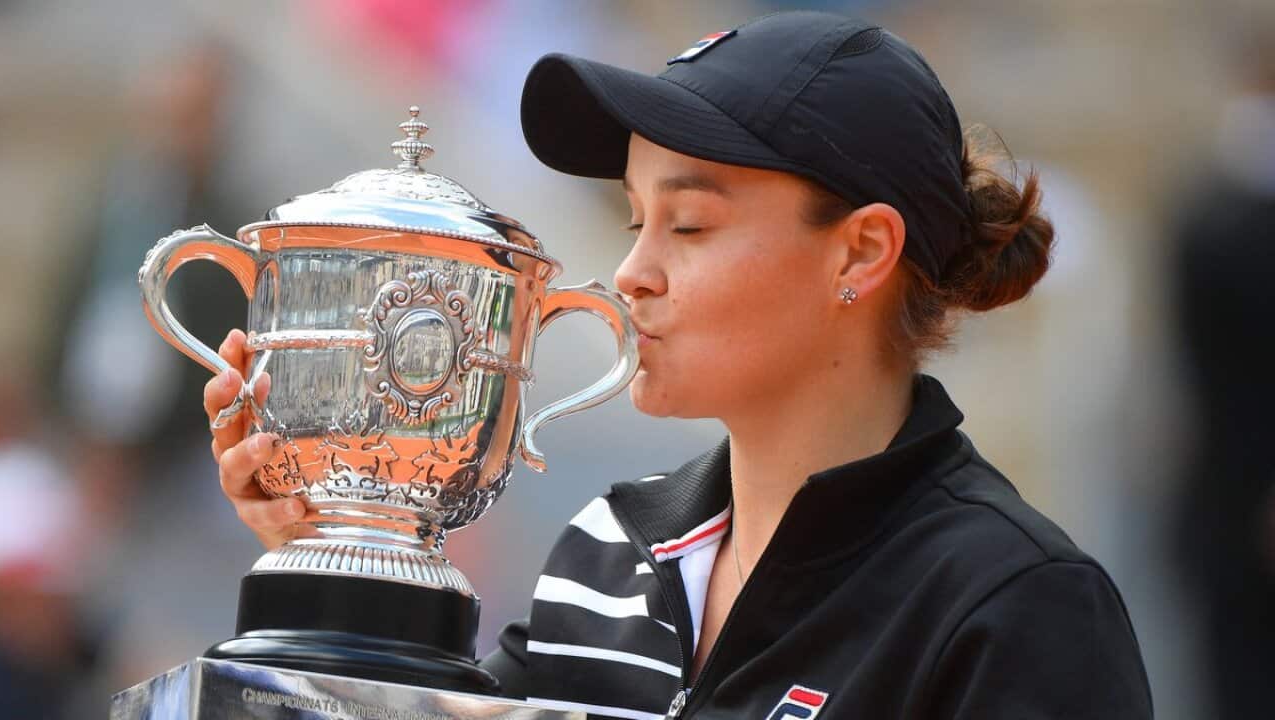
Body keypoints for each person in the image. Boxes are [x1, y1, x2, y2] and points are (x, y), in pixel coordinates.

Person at [203, 11, 1152, 720]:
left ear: (861, 252)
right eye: (633, 217)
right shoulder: (607, 556)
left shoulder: (1011, 601)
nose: (630, 273)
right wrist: (343, 559)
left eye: (689, 224)